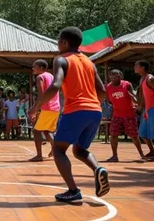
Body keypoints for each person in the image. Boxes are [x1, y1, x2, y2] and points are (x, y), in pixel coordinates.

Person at [36, 27, 109, 203]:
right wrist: (92, 105)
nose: (57, 44)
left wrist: (37, 105)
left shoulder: (61, 59)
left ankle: (73, 191)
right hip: (95, 111)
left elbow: (55, 85)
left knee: (58, 150)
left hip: (76, 110)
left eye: (58, 40)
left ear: (65, 42)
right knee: (80, 150)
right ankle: (98, 169)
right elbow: (102, 90)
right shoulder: (89, 62)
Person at [105, 69, 145, 162]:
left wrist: (133, 98)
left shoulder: (127, 84)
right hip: (116, 114)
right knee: (113, 134)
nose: (114, 77)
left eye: (116, 75)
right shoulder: (108, 87)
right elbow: (109, 101)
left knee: (134, 135)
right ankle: (114, 156)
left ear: (120, 76)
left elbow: (135, 99)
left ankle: (142, 155)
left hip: (129, 114)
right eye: (112, 75)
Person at [134, 60, 154, 161]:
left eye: (136, 65)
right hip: (147, 109)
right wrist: (140, 106)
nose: (134, 67)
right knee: (142, 133)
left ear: (143, 67)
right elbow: (143, 96)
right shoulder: (142, 80)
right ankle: (152, 151)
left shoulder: (150, 79)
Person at [28, 59, 60, 162]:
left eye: (35, 66)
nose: (33, 68)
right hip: (56, 107)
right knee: (46, 131)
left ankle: (39, 156)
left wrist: (34, 109)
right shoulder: (50, 76)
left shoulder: (39, 77)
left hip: (47, 107)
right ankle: (56, 150)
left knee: (36, 131)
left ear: (41, 68)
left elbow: (41, 95)